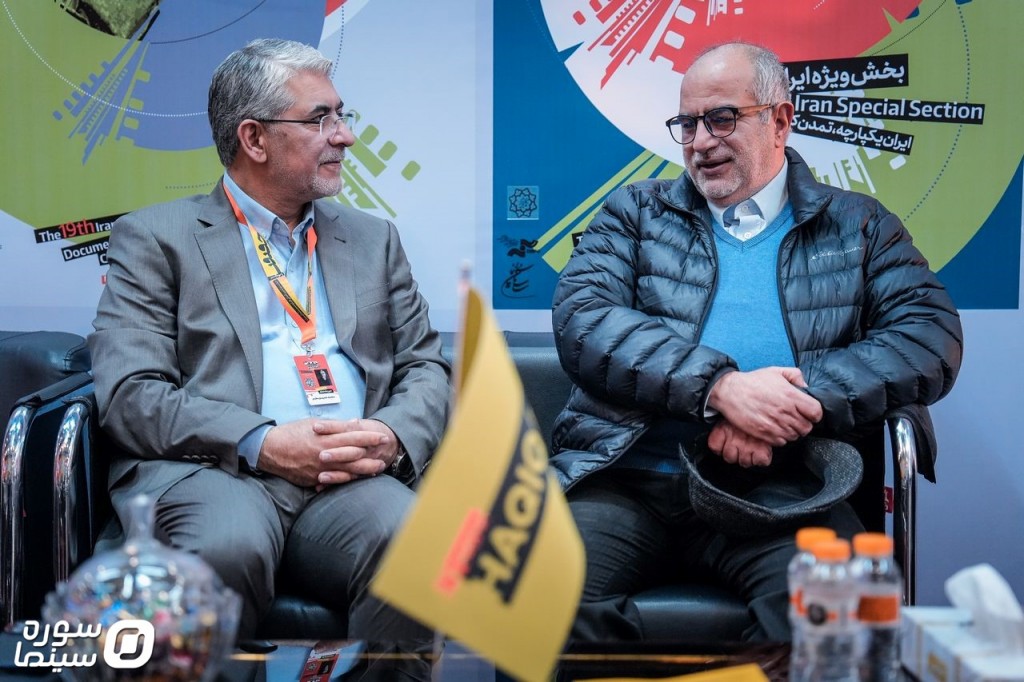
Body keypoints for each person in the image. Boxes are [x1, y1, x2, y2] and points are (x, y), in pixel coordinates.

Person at [549, 41, 963, 642]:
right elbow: (584, 320)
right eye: (687, 123)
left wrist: (786, 407)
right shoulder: (634, 214)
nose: (700, 142)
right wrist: (720, 390)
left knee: (832, 621)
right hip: (628, 481)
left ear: (780, 120)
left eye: (722, 118)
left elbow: (928, 336)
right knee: (538, 600)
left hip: (786, 489)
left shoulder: (860, 225)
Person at [88, 37, 451, 660]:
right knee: (222, 550)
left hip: (349, 477)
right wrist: (262, 441)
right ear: (254, 139)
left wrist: (389, 436)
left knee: (415, 544)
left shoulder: (373, 239)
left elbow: (425, 365)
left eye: (342, 116)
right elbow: (131, 395)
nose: (345, 137)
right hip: (215, 470)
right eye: (321, 119)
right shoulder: (155, 239)